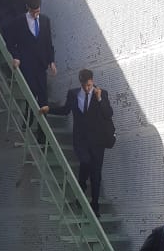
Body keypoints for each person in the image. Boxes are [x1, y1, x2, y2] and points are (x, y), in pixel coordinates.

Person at [42, 68, 114, 214]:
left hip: (98, 141)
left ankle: (95, 206)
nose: (87, 88)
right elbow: (65, 110)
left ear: (92, 81)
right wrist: (49, 109)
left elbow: (108, 114)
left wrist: (99, 99)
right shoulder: (73, 94)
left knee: (96, 174)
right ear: (80, 83)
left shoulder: (102, 93)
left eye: (89, 85)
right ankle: (81, 190)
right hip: (81, 140)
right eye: (84, 85)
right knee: (85, 162)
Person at [6, 0, 56, 108]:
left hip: (41, 63)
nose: (35, 15)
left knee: (43, 94)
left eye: (37, 11)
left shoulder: (45, 20)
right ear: (27, 8)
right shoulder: (18, 22)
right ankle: (28, 116)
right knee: (31, 92)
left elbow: (48, 42)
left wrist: (51, 61)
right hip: (26, 63)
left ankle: (42, 118)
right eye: (33, 12)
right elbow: (10, 42)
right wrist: (16, 56)